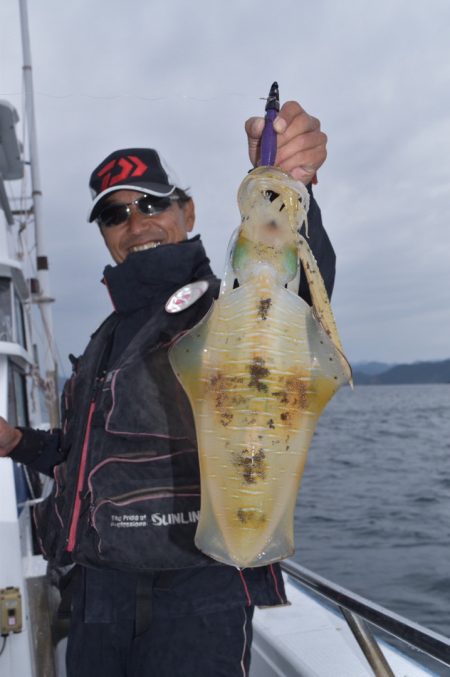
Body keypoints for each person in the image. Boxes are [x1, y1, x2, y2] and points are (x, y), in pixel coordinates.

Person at [0, 101, 333, 677]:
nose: (136, 223)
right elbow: (83, 453)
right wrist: (16, 442)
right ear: (105, 235)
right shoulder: (107, 337)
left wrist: (287, 190)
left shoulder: (225, 300)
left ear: (188, 210)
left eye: (152, 204)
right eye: (116, 215)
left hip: (197, 596)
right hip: (98, 596)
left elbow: (295, 286)